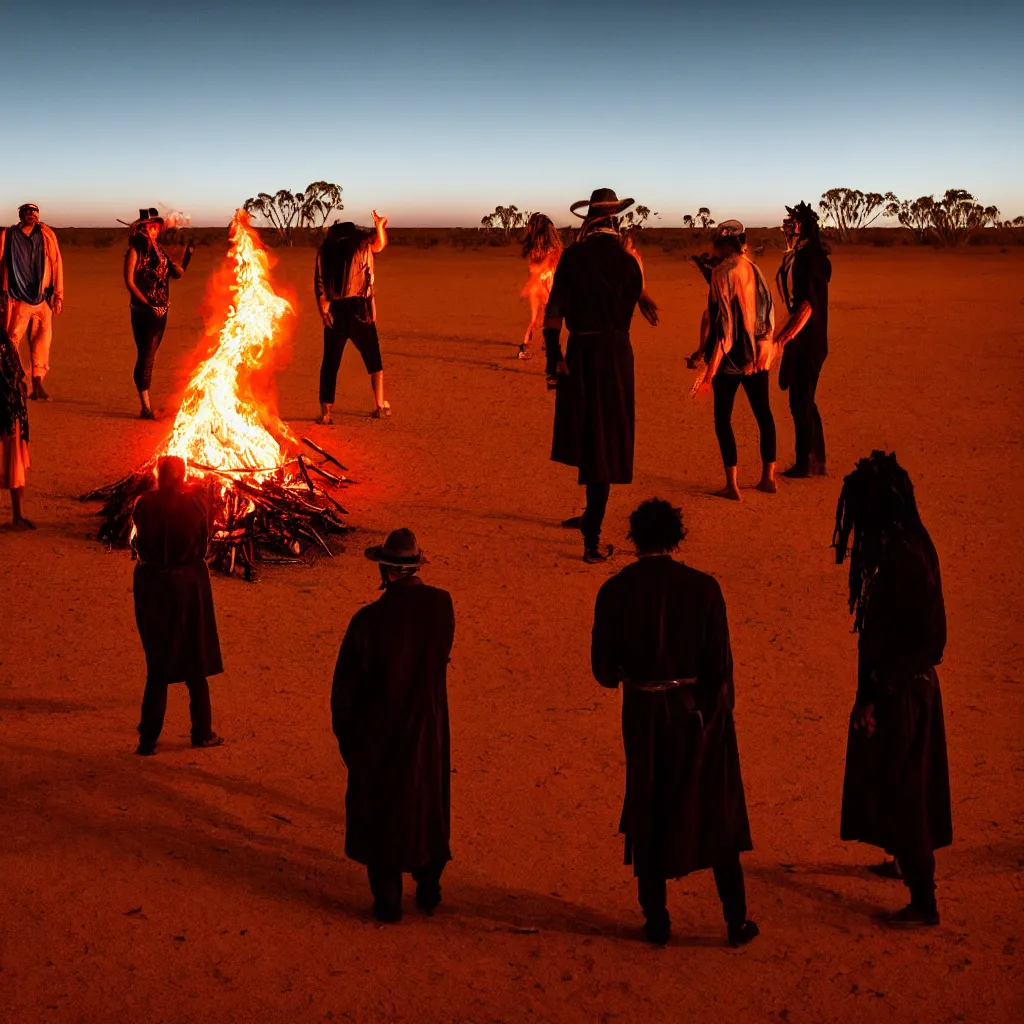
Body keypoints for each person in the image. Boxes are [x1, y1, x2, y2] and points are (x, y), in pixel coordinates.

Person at [591, 498, 759, 947]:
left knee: (649, 807)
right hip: (695, 714)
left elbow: (604, 673)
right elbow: (719, 667)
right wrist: (712, 718)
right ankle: (735, 919)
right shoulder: (704, 589)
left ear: (634, 538)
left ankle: (657, 920)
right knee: (714, 810)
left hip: (644, 715)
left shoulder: (614, 591)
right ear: (676, 536)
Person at [833, 451, 951, 926]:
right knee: (901, 782)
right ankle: (903, 861)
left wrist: (876, 693)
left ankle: (924, 900)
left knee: (905, 789)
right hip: (907, 685)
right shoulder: (910, 542)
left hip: (903, 690)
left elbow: (920, 640)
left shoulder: (903, 557)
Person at [331, 528, 456, 922]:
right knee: (427, 804)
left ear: (385, 569)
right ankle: (429, 887)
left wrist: (350, 743)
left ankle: (387, 900)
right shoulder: (441, 606)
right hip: (427, 728)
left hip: (378, 733)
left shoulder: (367, 620)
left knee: (380, 810)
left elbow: (344, 692)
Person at [544, 188, 657, 563]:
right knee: (605, 438)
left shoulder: (572, 258)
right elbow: (630, 295)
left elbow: (553, 313)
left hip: (580, 353)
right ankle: (592, 517)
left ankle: (592, 535)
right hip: (617, 356)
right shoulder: (628, 264)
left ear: (589, 219)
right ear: (615, 221)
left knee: (589, 435)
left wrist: (554, 358)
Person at [132, 455, 224, 756]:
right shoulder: (196, 504)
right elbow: (204, 541)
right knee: (194, 658)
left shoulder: (144, 504)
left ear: (159, 476)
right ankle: (202, 732)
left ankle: (148, 739)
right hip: (188, 586)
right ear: (183, 477)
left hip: (153, 586)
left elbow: (137, 539)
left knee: (157, 665)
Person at [690, 220, 777, 500]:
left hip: (731, 359)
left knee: (722, 419)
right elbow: (766, 313)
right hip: (757, 358)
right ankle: (768, 478)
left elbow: (725, 329)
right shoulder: (754, 268)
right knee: (764, 415)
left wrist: (708, 374)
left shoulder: (724, 272)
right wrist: (764, 350)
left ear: (723, 244)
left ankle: (732, 485)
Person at [314, 212, 390, 423]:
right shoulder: (362, 248)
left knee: (330, 362)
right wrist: (380, 227)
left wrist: (324, 312)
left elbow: (320, 286)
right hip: (359, 309)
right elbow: (380, 245)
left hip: (335, 311)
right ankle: (379, 406)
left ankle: (326, 413)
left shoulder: (325, 253)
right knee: (373, 358)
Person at [774, 202, 832, 477]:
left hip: (808, 340)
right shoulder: (801, 254)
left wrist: (785, 337)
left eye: (792, 222)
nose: (788, 226)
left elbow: (807, 305)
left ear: (802, 226)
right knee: (803, 399)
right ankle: (815, 460)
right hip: (805, 337)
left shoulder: (808, 257)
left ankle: (804, 464)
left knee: (801, 400)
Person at [123, 208, 192, 420]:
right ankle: (145, 407)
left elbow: (176, 274)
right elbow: (130, 281)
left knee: (150, 355)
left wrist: (187, 257)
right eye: (150, 226)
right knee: (147, 356)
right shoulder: (135, 251)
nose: (154, 230)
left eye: (156, 226)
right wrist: (147, 303)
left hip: (162, 310)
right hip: (144, 312)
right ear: (142, 229)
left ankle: (146, 405)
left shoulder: (159, 252)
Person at [0, 203, 64, 401]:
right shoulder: (9, 235)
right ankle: (17, 380)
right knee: (12, 340)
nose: (32, 215)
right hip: (17, 297)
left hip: (43, 298)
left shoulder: (46, 236)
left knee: (41, 341)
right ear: (21, 215)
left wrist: (58, 294)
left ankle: (37, 383)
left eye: (35, 212)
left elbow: (56, 262)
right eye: (28, 212)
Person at [0, 325, 33, 529]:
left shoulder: (5, 342)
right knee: (15, 460)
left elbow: (17, 376)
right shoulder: (5, 342)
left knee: (15, 461)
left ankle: (18, 515)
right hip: (10, 408)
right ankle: (18, 515)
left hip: (10, 407)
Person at [518, 213, 563, 360]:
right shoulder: (544, 246)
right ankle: (526, 346)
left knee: (541, 317)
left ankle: (538, 343)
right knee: (539, 317)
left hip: (542, 284)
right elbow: (539, 267)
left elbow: (539, 267)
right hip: (541, 285)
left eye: (531, 224)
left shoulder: (541, 245)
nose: (528, 227)